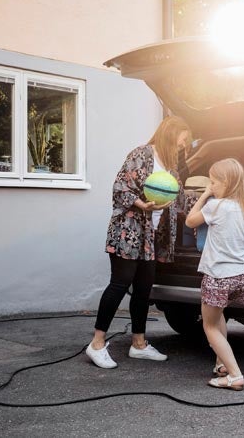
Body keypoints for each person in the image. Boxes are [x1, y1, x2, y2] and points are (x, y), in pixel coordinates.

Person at [85, 116, 191, 369]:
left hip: (149, 238)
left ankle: (139, 344)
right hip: (127, 233)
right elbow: (120, 187)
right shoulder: (142, 154)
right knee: (119, 285)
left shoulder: (171, 168)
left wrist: (212, 196)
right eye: (182, 140)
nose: (183, 146)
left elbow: (179, 199)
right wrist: (142, 204)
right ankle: (97, 343)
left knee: (144, 290)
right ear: (170, 135)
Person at [185, 158, 244, 391]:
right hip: (240, 274)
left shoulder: (216, 205)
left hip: (218, 275)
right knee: (218, 318)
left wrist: (204, 195)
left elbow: (189, 220)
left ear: (226, 182)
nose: (212, 186)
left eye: (214, 182)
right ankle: (222, 365)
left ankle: (235, 375)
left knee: (208, 326)